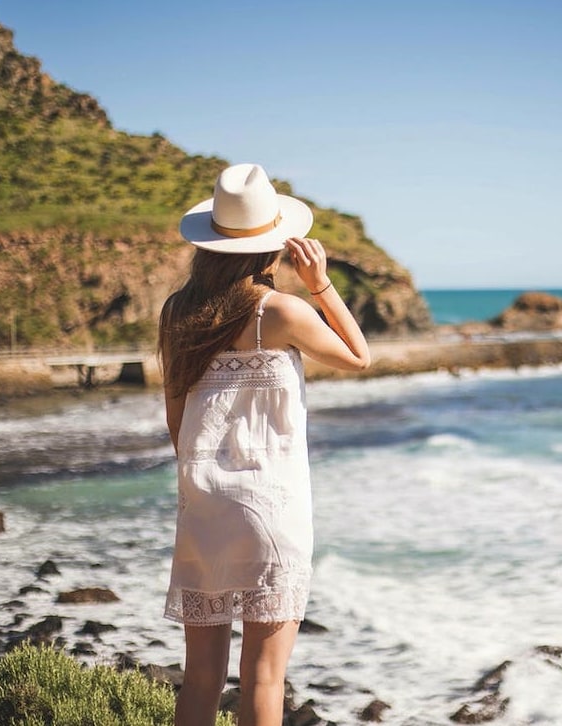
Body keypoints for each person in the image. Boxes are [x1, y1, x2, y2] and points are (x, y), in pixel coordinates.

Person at [158, 163, 370, 726]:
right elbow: (359, 355)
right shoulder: (278, 311)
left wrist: (205, 483)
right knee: (264, 677)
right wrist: (320, 283)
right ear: (272, 248)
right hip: (271, 506)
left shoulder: (177, 311)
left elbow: (176, 416)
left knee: (200, 678)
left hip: (203, 504)